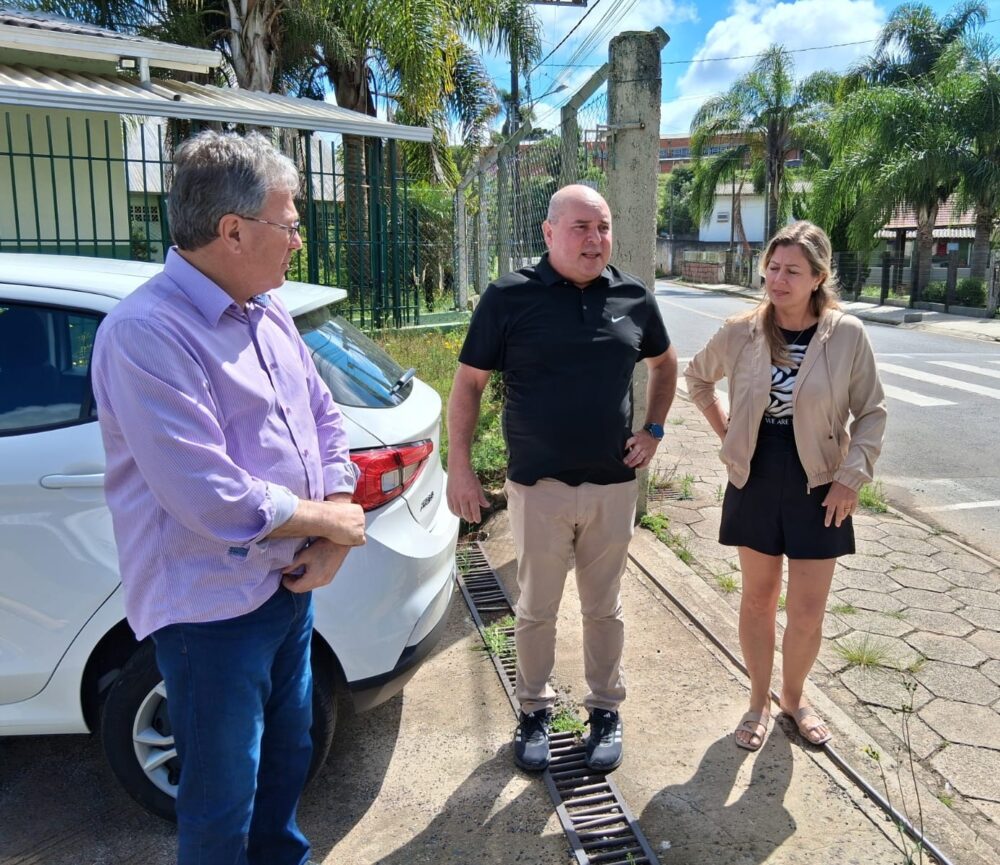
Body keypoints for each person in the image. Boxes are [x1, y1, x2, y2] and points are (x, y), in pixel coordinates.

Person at [92, 131, 366, 865]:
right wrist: (327, 521)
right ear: (234, 230)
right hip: (210, 612)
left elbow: (325, 416)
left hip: (284, 589)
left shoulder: (265, 307)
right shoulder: (144, 334)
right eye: (291, 221)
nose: (299, 239)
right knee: (220, 802)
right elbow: (210, 497)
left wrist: (335, 522)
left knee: (286, 763)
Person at [447, 184, 678, 773]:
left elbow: (665, 362)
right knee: (536, 610)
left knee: (605, 608)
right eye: (580, 227)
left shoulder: (633, 298)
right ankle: (533, 711)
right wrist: (461, 466)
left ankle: (605, 709)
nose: (594, 240)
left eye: (602, 228)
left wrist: (653, 429)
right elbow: (469, 385)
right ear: (548, 233)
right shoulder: (507, 298)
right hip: (538, 488)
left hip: (611, 484)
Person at [684, 221, 886, 751]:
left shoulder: (845, 335)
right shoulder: (741, 329)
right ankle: (757, 700)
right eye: (773, 267)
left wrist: (851, 478)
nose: (777, 279)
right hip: (755, 473)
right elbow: (698, 378)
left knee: (807, 608)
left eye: (792, 270)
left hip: (819, 480)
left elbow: (872, 412)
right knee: (757, 598)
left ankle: (794, 699)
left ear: (818, 277)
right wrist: (727, 431)